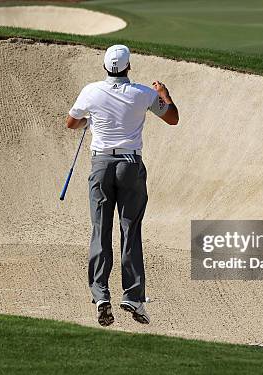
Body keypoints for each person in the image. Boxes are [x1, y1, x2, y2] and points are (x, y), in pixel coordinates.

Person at [66, 44, 179, 326]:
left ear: (105, 67)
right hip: (130, 166)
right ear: (129, 67)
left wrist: (89, 121)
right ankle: (133, 296)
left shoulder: (91, 91)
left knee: (100, 230)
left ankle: (101, 294)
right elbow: (172, 117)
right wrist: (164, 94)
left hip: (101, 166)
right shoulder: (144, 93)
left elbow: (71, 122)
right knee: (130, 230)